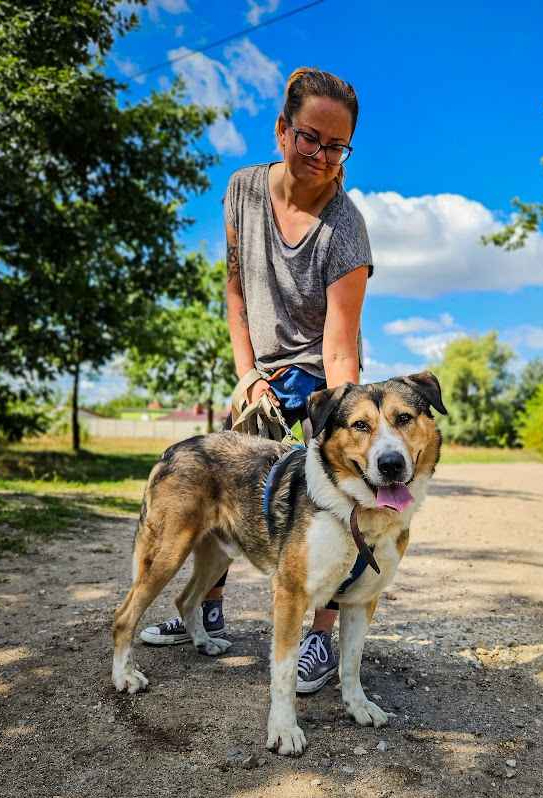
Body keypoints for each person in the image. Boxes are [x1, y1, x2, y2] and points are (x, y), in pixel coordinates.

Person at [139, 66, 373, 694]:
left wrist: (336, 426)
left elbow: (340, 346)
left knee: (326, 507)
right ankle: (202, 609)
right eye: (309, 138)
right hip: (260, 371)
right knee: (222, 490)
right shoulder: (242, 189)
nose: (321, 156)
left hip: (324, 379)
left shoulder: (346, 228)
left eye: (336, 145)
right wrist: (247, 376)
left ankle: (318, 635)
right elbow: (236, 291)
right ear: (281, 130)